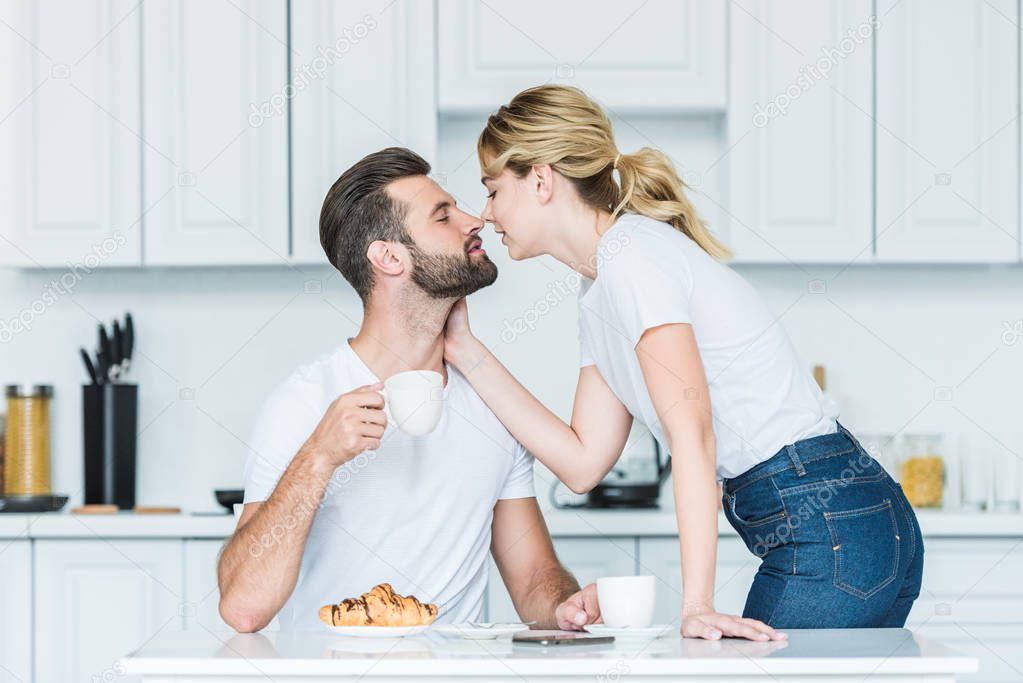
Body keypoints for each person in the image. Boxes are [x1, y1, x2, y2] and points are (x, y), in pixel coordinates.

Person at [443, 85, 923, 639]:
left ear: (542, 180)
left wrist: (696, 606)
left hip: (828, 523)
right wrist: (464, 351)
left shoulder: (633, 260)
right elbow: (581, 463)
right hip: (848, 522)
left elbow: (692, 433)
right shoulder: (600, 284)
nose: (486, 213)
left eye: (494, 190)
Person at [218, 147, 596, 632]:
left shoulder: (492, 404)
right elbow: (244, 608)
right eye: (443, 216)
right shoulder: (306, 401)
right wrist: (318, 457)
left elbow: (533, 580)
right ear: (389, 257)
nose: (474, 219)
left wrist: (563, 606)